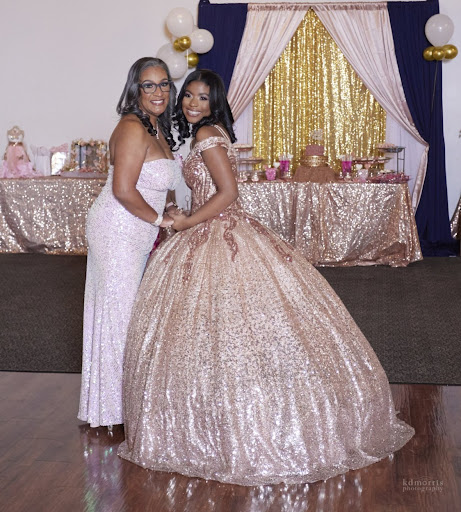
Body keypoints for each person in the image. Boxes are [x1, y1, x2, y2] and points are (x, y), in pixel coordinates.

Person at [118, 69, 414, 485]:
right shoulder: (206, 133)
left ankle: (243, 420)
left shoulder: (207, 134)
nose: (192, 103)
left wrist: (185, 224)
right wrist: (180, 213)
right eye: (188, 95)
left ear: (215, 102)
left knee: (230, 328)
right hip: (212, 228)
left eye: (203, 97)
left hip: (217, 231)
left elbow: (228, 194)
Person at [78, 57, 182, 428]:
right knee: (119, 316)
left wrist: (168, 208)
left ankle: (114, 405)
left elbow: (152, 183)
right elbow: (123, 190)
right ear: (135, 89)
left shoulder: (155, 126)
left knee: (124, 314)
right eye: (148, 85)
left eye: (164, 83)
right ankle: (116, 409)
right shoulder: (132, 128)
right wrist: (160, 220)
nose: (158, 92)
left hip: (137, 228)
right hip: (118, 228)